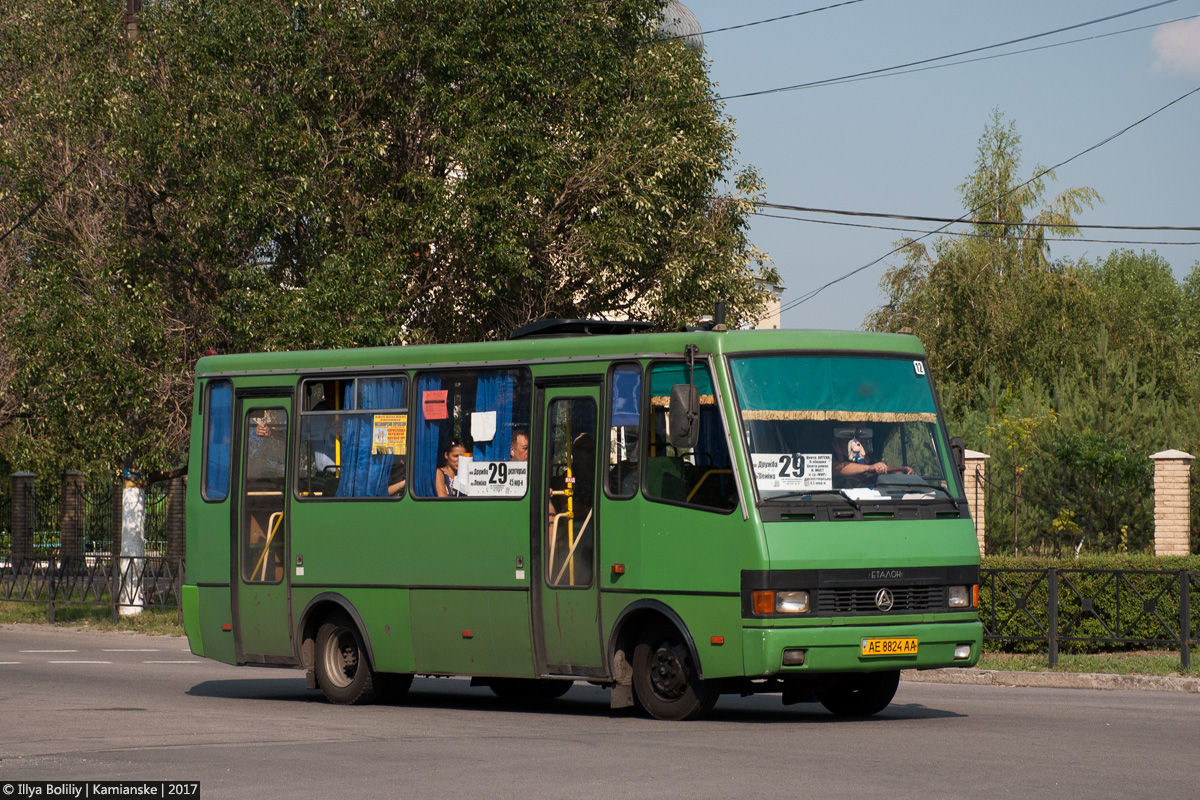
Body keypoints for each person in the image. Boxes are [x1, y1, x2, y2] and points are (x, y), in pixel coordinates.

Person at [831, 426, 913, 485]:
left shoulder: (867, 459)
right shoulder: (831, 452)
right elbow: (835, 468)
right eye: (859, 433)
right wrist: (870, 468)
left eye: (865, 433)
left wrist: (899, 471)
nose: (864, 438)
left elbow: (874, 473)